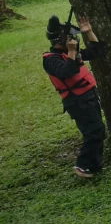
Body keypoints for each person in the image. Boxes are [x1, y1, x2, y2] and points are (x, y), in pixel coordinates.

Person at [43, 14, 106, 179]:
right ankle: (82, 165)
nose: (73, 40)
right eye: (69, 37)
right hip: (77, 102)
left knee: (98, 130)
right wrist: (71, 52)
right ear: (60, 40)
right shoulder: (51, 60)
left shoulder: (71, 52)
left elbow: (96, 51)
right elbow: (67, 72)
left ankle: (94, 166)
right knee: (93, 132)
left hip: (89, 96)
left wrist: (89, 32)